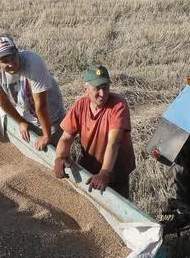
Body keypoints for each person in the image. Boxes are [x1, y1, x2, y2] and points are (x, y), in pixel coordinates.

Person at [53, 65, 135, 197]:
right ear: (86, 88)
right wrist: (59, 157)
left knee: (117, 201)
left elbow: (114, 142)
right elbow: (66, 138)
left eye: (106, 87)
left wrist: (105, 173)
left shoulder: (118, 105)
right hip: (90, 165)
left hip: (115, 169)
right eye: (97, 88)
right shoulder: (80, 105)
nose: (103, 93)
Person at [0, 35, 65, 151]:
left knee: (57, 152)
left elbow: (41, 105)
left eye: (13, 58)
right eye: (5, 61)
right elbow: (2, 100)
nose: (11, 64)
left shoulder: (33, 63)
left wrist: (47, 135)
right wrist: (21, 122)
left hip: (50, 115)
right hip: (25, 113)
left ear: (17, 52)